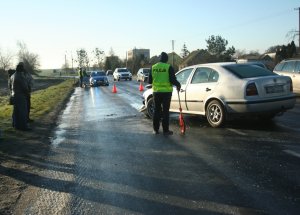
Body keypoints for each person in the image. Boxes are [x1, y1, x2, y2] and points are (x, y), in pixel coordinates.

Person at [148, 52, 181, 135]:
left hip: (156, 92)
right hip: (166, 93)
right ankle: (165, 130)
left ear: (160, 59)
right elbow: (172, 80)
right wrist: (178, 85)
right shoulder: (168, 67)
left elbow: (149, 81)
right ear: (166, 59)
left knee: (157, 110)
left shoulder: (153, 67)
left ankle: (155, 130)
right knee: (165, 111)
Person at [10, 63, 31, 131]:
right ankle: (23, 127)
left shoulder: (13, 76)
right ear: (21, 69)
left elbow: (10, 86)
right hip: (21, 96)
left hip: (14, 95)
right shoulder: (20, 76)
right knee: (23, 111)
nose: (23, 70)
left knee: (16, 111)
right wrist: (27, 93)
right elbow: (24, 87)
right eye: (22, 68)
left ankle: (16, 125)